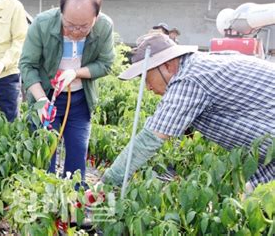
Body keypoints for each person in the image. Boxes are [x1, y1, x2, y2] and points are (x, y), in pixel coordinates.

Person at [102, 32, 274, 189]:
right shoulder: (202, 63)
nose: (147, 87)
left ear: (168, 66)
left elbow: (150, 139)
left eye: (147, 78)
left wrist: (107, 183)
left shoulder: (190, 78)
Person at [19, 0, 115, 180]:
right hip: (46, 97)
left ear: (96, 17)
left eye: (84, 27)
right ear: (60, 12)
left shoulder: (104, 26)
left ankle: (73, 199)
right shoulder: (42, 24)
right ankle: (43, 201)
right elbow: (27, 65)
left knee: (78, 152)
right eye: (70, 25)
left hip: (80, 100)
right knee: (46, 152)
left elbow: (105, 64)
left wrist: (75, 73)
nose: (76, 32)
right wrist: (41, 102)